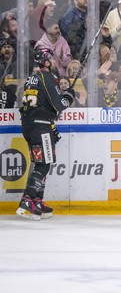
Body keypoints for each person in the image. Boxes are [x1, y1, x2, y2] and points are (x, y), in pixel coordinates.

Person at [17, 48, 74, 220]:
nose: (55, 61)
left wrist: (51, 123)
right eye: (52, 58)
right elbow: (60, 105)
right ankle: (28, 199)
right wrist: (69, 96)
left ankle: (37, 200)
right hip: (40, 126)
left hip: (29, 125)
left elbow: (41, 104)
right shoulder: (47, 77)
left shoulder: (30, 79)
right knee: (44, 164)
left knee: (39, 162)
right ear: (47, 61)